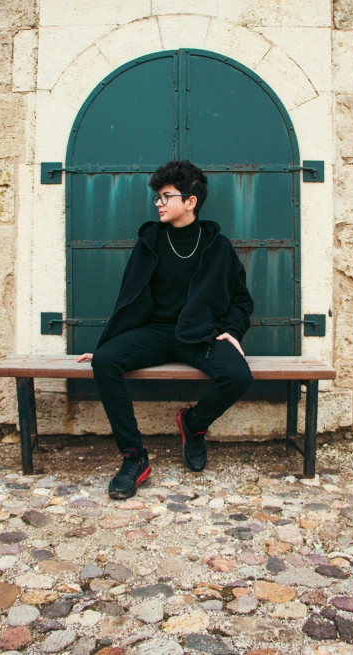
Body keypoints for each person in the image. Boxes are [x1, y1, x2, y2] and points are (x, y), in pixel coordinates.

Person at [76, 160, 254, 499]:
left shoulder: (218, 247)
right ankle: (134, 458)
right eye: (157, 197)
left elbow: (242, 300)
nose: (158, 203)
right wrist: (107, 345)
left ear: (190, 201)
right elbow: (127, 298)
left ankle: (194, 424)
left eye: (166, 196)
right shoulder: (150, 241)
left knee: (238, 375)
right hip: (155, 332)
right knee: (106, 362)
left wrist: (233, 330)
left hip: (200, 334)